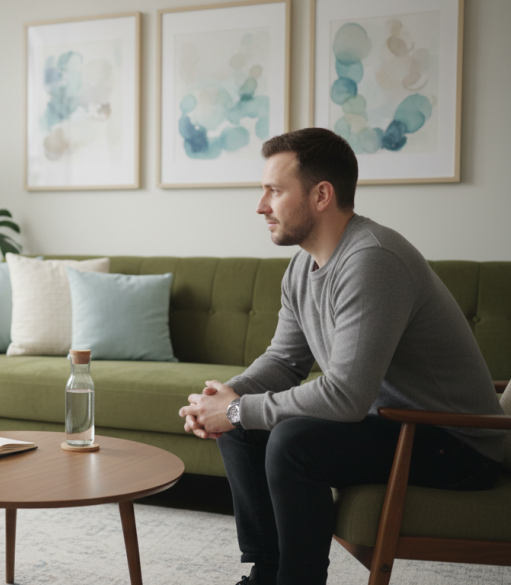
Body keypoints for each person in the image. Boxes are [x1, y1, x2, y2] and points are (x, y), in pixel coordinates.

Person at [178, 128, 506, 585]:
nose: (261, 206)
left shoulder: (373, 259)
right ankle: (266, 574)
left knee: (292, 442)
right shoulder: (301, 267)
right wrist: (220, 401)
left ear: (321, 195)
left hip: (456, 442)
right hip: (396, 422)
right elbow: (284, 360)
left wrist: (236, 409)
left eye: (274, 190)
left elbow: (346, 396)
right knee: (243, 428)